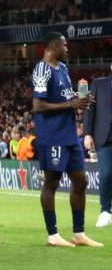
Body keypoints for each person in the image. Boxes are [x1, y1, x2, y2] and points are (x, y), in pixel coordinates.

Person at [31, 33, 101, 247]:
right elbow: (38, 106)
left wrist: (79, 100)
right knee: (52, 182)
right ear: (53, 45)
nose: (67, 49)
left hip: (69, 135)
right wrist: (70, 105)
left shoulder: (62, 68)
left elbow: (63, 96)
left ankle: (78, 233)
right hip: (52, 135)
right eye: (64, 45)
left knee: (81, 180)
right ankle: (52, 235)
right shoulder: (42, 69)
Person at [86, 62, 112, 228]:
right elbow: (90, 109)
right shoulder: (98, 83)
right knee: (106, 174)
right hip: (104, 137)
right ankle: (105, 211)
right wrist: (87, 133)